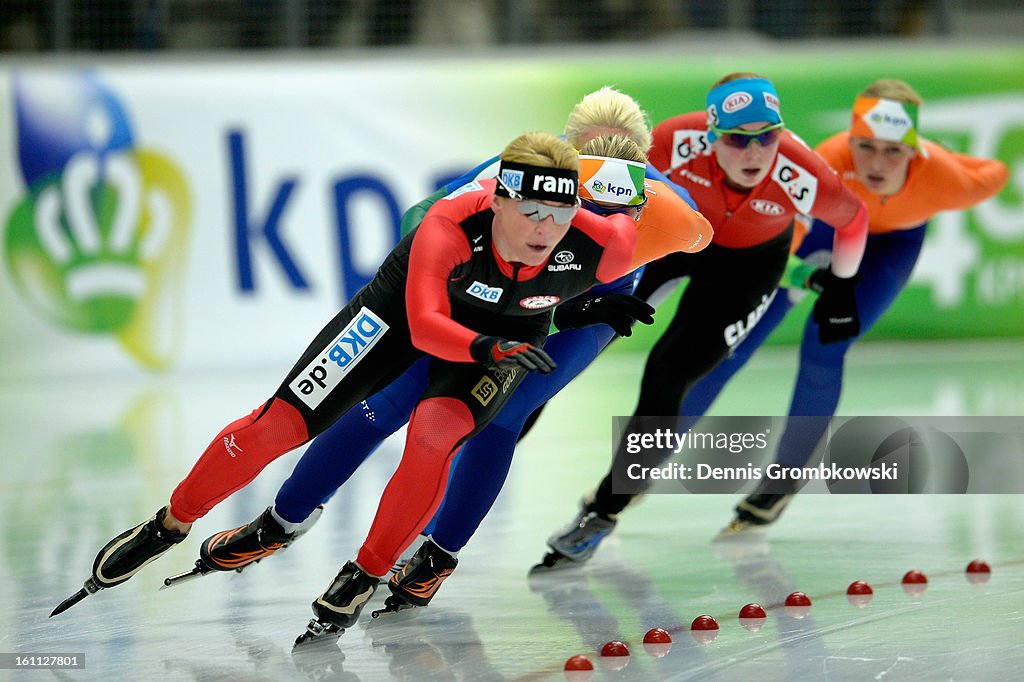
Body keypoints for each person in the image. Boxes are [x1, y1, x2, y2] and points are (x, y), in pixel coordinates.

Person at [53, 131, 639, 628]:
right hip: (408, 316)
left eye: (561, 213)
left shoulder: (606, 238)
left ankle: (370, 571)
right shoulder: (454, 219)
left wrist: (649, 197)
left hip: (509, 330)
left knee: (440, 437)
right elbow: (427, 325)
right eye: (532, 210)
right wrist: (489, 342)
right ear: (498, 201)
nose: (544, 228)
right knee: (282, 425)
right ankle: (173, 522)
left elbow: (691, 228)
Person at [188, 128, 711, 612]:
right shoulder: (514, 178)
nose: (563, 227)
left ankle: (435, 557)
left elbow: (708, 240)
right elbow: (420, 218)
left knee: (500, 421)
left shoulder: (665, 207)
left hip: (594, 308)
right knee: (382, 402)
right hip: (501, 296)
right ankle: (282, 522)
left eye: (611, 209)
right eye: (578, 202)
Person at [534, 72, 871, 571]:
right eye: (739, 138)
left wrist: (842, 285)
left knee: (670, 375)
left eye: (768, 136)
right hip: (672, 240)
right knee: (573, 342)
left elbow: (854, 218)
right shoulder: (673, 140)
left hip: (748, 267)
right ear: (711, 136)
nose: (755, 152)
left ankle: (604, 510)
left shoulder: (800, 170)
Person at [676, 78, 1009, 532]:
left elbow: (995, 172)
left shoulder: (946, 179)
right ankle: (646, 457)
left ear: (914, 151)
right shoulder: (829, 160)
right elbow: (781, 234)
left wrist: (938, 152)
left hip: (888, 247)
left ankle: (782, 481)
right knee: (735, 338)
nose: (875, 163)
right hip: (822, 234)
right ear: (849, 140)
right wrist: (791, 275)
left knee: (824, 346)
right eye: (865, 147)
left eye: (894, 150)